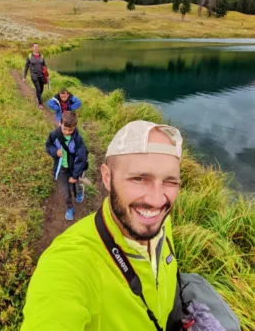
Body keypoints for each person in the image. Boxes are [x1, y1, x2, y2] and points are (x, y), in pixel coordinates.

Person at [22, 120, 183, 330]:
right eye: (139, 178)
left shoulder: (162, 222)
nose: (157, 200)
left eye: (171, 182)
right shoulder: (69, 261)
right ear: (107, 178)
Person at [45, 111, 88, 221]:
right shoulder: (54, 134)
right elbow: (48, 145)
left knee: (75, 184)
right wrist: (55, 152)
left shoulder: (78, 139)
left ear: (75, 127)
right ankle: (69, 208)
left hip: (74, 169)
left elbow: (82, 158)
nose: (68, 132)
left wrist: (75, 175)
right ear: (60, 123)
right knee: (65, 191)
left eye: (71, 130)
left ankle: (79, 191)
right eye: (65, 129)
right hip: (62, 170)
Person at [23, 43, 48, 109]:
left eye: (37, 47)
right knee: (38, 88)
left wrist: (47, 75)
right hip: (34, 75)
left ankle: (38, 96)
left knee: (41, 89)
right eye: (35, 47)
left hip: (41, 75)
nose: (36, 48)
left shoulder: (41, 56)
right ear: (32, 48)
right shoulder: (30, 56)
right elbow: (26, 66)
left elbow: (44, 65)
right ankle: (40, 103)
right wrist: (24, 77)